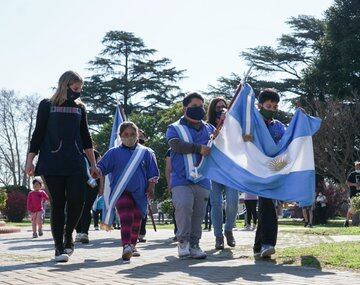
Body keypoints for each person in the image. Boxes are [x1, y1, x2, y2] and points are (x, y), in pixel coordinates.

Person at [25, 71, 97, 262]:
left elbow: (86, 138)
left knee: (76, 201)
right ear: (64, 85)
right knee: (58, 204)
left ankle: (69, 237)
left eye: (80, 89)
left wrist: (93, 164)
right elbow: (38, 134)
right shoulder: (47, 105)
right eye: (75, 88)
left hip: (74, 162)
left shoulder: (80, 108)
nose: (78, 92)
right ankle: (59, 247)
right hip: (52, 162)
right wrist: (29, 160)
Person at [96, 121, 159, 262]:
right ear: (120, 136)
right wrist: (96, 172)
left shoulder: (146, 153)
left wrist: (151, 187)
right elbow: (101, 167)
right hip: (121, 191)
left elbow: (152, 173)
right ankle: (126, 246)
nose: (129, 137)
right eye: (125, 134)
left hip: (140, 192)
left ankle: (132, 245)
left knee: (137, 218)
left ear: (138, 135)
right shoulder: (113, 152)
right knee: (126, 216)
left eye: (132, 134)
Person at [166, 92, 215, 259]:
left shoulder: (210, 128)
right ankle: (183, 242)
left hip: (203, 179)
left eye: (201, 106)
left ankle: (194, 244)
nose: (198, 109)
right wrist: (198, 148)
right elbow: (175, 145)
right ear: (184, 107)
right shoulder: (175, 127)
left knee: (199, 213)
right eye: (194, 106)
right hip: (181, 178)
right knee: (184, 206)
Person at [253, 89, 286, 259]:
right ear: (259, 105)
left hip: (272, 171)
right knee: (268, 206)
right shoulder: (250, 121)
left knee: (266, 205)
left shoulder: (279, 126)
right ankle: (268, 243)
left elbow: (287, 143)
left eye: (275, 106)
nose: (272, 109)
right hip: (254, 170)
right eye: (268, 105)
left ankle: (259, 246)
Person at [207, 97, 239, 249]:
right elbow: (209, 141)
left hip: (231, 170)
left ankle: (229, 230)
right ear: (213, 110)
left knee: (233, 201)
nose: (221, 109)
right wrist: (219, 127)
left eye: (224, 106)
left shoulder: (233, 125)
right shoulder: (207, 126)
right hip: (214, 169)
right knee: (216, 204)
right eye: (218, 107)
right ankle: (218, 236)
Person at [75, 149, 103, 243]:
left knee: (86, 207)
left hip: (92, 184)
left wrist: (102, 187)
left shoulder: (95, 153)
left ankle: (84, 233)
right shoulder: (74, 151)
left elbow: (101, 172)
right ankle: (78, 232)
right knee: (76, 207)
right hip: (76, 184)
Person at [138, 129, 149, 243]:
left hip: (144, 185)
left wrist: (151, 186)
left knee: (143, 211)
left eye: (141, 136)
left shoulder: (148, 152)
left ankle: (141, 233)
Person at [165, 148, 178, 242]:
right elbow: (168, 168)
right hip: (176, 183)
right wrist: (169, 184)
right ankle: (178, 232)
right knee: (177, 208)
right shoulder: (170, 151)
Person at [344, 161, 360, 227]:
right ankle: (347, 221)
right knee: (352, 209)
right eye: (356, 166)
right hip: (353, 195)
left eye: (358, 166)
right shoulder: (352, 174)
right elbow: (347, 183)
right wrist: (354, 184)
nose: (357, 167)